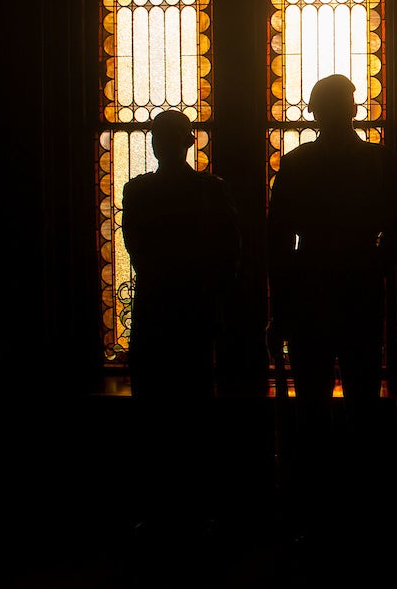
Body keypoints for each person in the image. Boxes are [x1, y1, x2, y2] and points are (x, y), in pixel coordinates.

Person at [266, 74, 397, 544]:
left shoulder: (299, 163)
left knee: (316, 401)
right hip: (358, 287)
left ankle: (316, 507)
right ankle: (362, 507)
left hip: (314, 286)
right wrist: (374, 263)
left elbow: (279, 244)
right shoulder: (378, 162)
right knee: (361, 397)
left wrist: (280, 308)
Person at [120, 108, 241, 536]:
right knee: (193, 410)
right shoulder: (212, 191)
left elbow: (138, 248)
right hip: (194, 309)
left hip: (156, 309)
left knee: (156, 412)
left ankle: (161, 509)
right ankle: (196, 508)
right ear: (190, 142)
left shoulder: (137, 192)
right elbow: (229, 254)